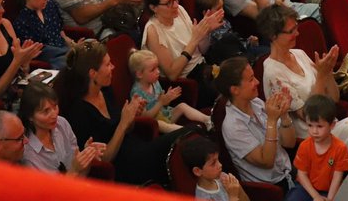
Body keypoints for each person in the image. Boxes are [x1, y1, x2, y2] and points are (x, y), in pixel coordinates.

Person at [258, 5, 348, 160]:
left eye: (296, 28)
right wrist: (320, 76)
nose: (297, 33)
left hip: (330, 123)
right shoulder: (273, 72)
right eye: (291, 31)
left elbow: (333, 98)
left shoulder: (298, 54)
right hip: (314, 137)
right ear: (273, 36)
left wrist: (328, 74)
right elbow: (310, 115)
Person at [59, 40, 175, 186]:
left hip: (139, 148)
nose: (113, 67)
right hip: (125, 166)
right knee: (182, 142)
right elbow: (105, 158)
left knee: (186, 143)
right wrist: (123, 122)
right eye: (107, 64)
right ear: (93, 73)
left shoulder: (105, 90)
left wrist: (132, 116)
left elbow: (129, 128)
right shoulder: (79, 111)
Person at [216, 57, 295, 188]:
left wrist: (285, 114)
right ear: (235, 90)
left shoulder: (256, 103)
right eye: (251, 79)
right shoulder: (233, 126)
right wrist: (272, 121)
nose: (257, 82)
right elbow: (267, 161)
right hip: (271, 189)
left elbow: (289, 143)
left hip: (289, 172)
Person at [20, 80, 104, 173]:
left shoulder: (62, 123)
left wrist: (86, 155)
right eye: (46, 111)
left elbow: (79, 173)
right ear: (30, 116)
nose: (54, 114)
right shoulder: (28, 154)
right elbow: (49, 188)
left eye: (55, 107)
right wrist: (75, 170)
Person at [286, 95, 348, 201]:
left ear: (332, 125)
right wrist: (316, 196)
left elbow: (337, 177)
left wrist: (329, 199)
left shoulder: (340, 148)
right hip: (306, 188)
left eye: (319, 126)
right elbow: (301, 174)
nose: (314, 131)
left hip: (330, 190)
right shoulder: (304, 146)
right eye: (310, 125)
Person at [128, 48, 210, 131]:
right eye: (153, 70)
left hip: (165, 114)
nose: (158, 72)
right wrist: (161, 102)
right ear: (139, 74)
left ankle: (208, 120)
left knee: (182, 106)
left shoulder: (155, 82)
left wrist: (168, 98)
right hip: (155, 124)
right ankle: (188, 131)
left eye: (157, 68)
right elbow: (146, 118)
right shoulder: (137, 94)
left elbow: (164, 103)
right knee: (160, 124)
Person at [13, 0, 73, 68]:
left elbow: (60, 32)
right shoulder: (22, 22)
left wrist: (73, 44)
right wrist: (68, 52)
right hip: (50, 61)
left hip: (64, 51)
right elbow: (37, 53)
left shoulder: (50, 6)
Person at [180, 135, 249, 201]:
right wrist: (233, 197)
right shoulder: (202, 198)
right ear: (197, 171)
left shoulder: (223, 177)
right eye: (213, 163)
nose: (220, 165)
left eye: (218, 160)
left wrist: (238, 188)